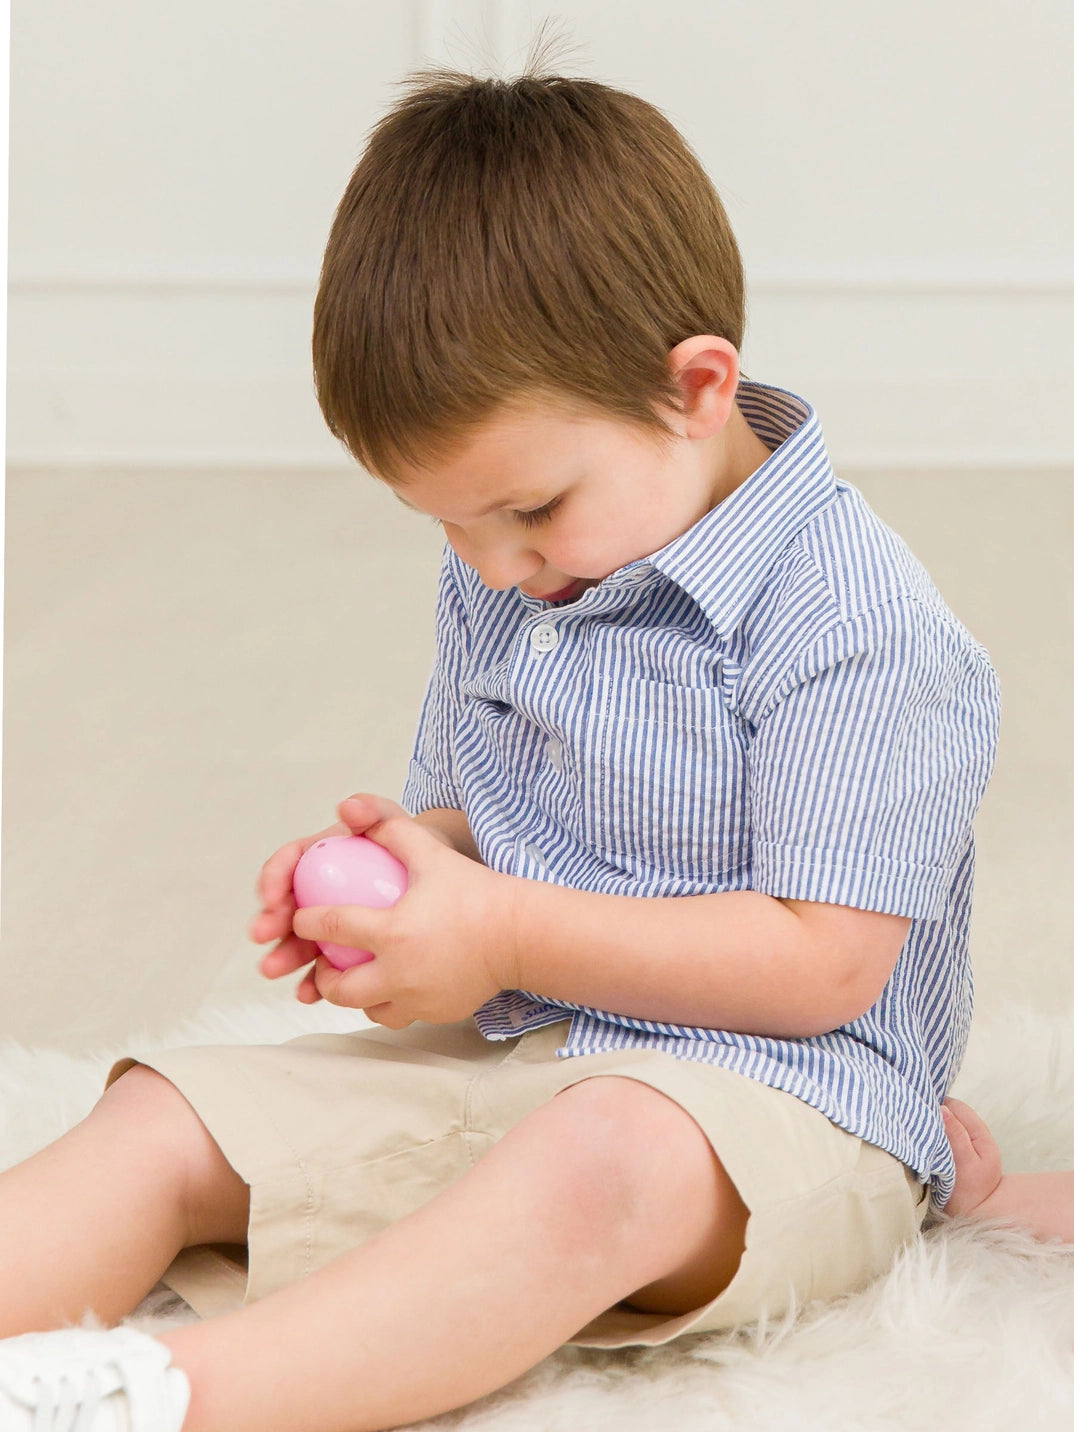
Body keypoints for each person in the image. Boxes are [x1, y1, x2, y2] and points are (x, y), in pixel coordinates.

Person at [0, 55, 1064, 1432]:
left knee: (599, 1160)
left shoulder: (855, 625)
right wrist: (405, 879)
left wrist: (499, 934)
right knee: (164, 1113)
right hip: (528, 1054)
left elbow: (822, 966)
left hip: (784, 1107)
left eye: (530, 509)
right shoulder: (522, 578)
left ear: (694, 389)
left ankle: (157, 1399)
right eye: (444, 526)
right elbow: (479, 830)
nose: (491, 566)